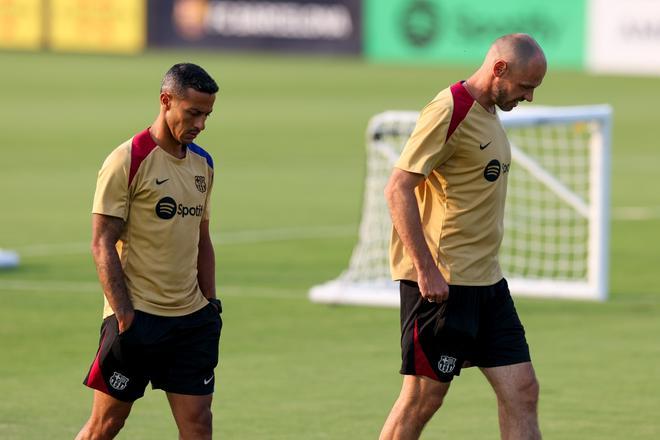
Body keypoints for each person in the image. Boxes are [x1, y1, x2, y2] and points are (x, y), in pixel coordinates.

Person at [380, 34, 547, 440]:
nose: (528, 97)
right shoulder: (449, 109)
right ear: (500, 69)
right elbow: (398, 187)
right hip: (444, 285)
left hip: (487, 282)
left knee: (522, 390)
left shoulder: (489, 112)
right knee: (423, 399)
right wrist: (426, 270)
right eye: (525, 87)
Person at [77, 63, 222, 440]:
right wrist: (124, 315)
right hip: (138, 319)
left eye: (207, 115)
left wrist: (211, 303)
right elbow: (101, 241)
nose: (201, 124)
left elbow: (201, 238)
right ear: (165, 101)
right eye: (193, 113)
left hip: (192, 321)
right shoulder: (127, 159)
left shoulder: (202, 164)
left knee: (199, 424)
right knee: (105, 426)